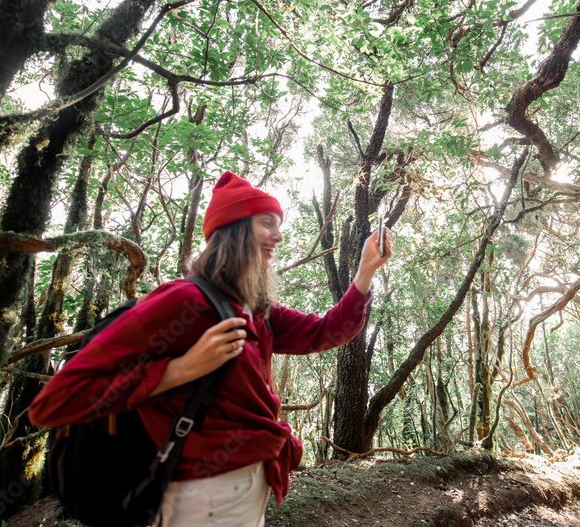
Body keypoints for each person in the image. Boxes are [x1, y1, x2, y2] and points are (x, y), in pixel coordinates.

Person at [29, 171, 391, 526]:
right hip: (203, 496)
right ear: (233, 229)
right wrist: (180, 370)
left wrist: (365, 270)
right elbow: (54, 401)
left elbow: (325, 332)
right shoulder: (186, 301)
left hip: (250, 485)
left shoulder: (255, 309)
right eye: (267, 222)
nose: (279, 236)